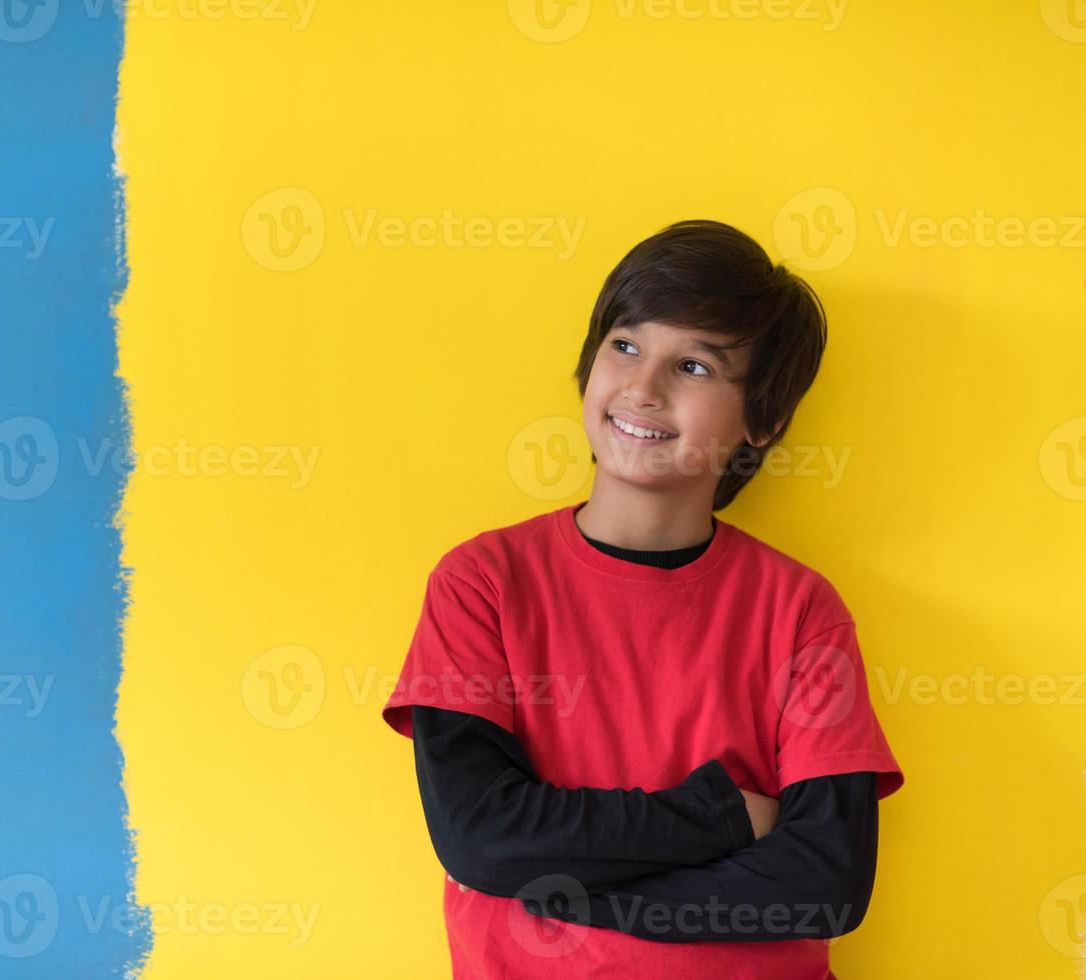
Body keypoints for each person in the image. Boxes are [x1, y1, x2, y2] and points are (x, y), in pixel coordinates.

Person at [381, 219, 904, 979]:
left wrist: (552, 890)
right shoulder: (482, 582)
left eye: (692, 366)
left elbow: (823, 884)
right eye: (624, 346)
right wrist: (725, 816)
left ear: (763, 419)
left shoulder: (800, 610)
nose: (641, 388)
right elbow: (481, 839)